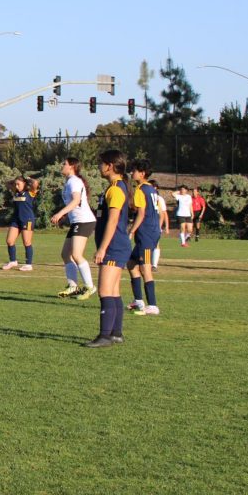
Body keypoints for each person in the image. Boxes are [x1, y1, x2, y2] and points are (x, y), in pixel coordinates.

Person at [85, 149, 132, 348]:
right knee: (113, 290)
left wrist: (102, 248)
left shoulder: (116, 189)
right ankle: (116, 333)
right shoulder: (115, 187)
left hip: (114, 246)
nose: (99, 167)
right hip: (119, 245)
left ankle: (105, 336)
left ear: (110, 166)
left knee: (104, 291)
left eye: (101, 163)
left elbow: (113, 221)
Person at [49, 157, 96, 300]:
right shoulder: (69, 181)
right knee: (65, 254)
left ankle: (89, 286)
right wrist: (66, 215)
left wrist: (60, 213)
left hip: (84, 221)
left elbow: (76, 201)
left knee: (76, 254)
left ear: (72, 167)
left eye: (64, 164)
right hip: (77, 222)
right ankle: (73, 286)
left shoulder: (74, 181)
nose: (61, 166)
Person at [126, 159, 161, 316]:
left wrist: (132, 230)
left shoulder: (141, 189)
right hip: (151, 231)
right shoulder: (151, 189)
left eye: (134, 170)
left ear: (142, 173)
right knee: (131, 263)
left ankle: (152, 305)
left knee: (145, 268)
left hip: (146, 233)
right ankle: (138, 301)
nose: (132, 173)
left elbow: (141, 213)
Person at [2, 176, 36, 272]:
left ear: (25, 184)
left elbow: (35, 183)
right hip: (16, 220)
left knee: (27, 242)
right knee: (9, 241)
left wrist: (28, 179)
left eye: (19, 184)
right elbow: (7, 183)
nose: (16, 186)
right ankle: (13, 261)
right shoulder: (16, 192)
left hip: (27, 220)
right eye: (15, 184)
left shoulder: (30, 193)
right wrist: (15, 180)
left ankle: (28, 265)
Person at [150, 179, 169, 270]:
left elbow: (163, 213)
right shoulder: (146, 196)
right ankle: (145, 263)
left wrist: (160, 226)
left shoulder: (159, 199)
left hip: (155, 225)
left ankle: (154, 265)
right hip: (146, 224)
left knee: (155, 244)